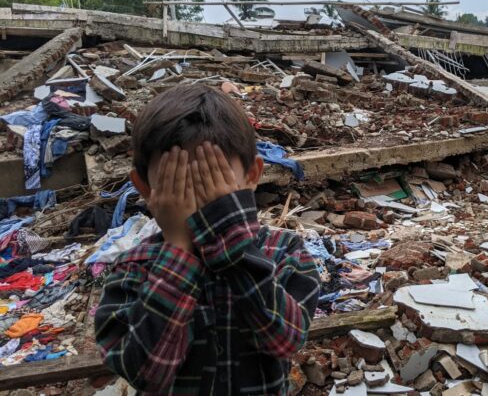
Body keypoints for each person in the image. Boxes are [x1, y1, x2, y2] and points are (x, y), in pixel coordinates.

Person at [94, 85, 320, 395]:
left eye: (212, 185)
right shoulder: (133, 268)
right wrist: (177, 249)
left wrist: (231, 241)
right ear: (145, 188)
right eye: (178, 186)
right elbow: (146, 372)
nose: (196, 203)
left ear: (252, 176)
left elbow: (286, 339)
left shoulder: (283, 252)